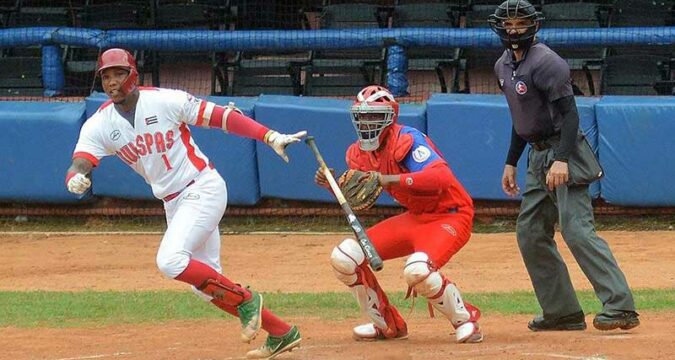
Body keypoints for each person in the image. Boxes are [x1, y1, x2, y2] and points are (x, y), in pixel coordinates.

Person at [65, 48, 305, 358]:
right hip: (173, 203)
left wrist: (269, 135)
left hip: (201, 188)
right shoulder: (100, 123)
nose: (112, 81)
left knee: (170, 261)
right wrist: (75, 176)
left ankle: (247, 301)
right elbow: (82, 159)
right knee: (203, 284)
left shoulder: (165, 100)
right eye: (106, 76)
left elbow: (221, 117)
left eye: (118, 73)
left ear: (133, 75)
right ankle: (282, 332)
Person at [488, 0, 640, 331]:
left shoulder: (547, 62)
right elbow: (521, 119)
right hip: (535, 155)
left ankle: (620, 306)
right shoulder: (502, 66)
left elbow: (571, 115)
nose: (514, 29)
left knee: (576, 230)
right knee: (529, 233)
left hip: (563, 150)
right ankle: (562, 312)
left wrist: (561, 159)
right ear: (499, 27)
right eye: (509, 23)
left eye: (521, 22)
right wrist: (510, 161)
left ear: (533, 25)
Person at [314, 85, 483, 343]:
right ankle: (387, 324)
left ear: (390, 116)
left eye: (373, 116)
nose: (366, 123)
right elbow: (361, 200)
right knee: (344, 257)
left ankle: (465, 319)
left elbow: (441, 178)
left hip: (451, 215)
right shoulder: (357, 154)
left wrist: (388, 179)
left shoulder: (407, 139)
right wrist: (333, 186)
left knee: (417, 271)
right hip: (415, 217)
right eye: (362, 116)